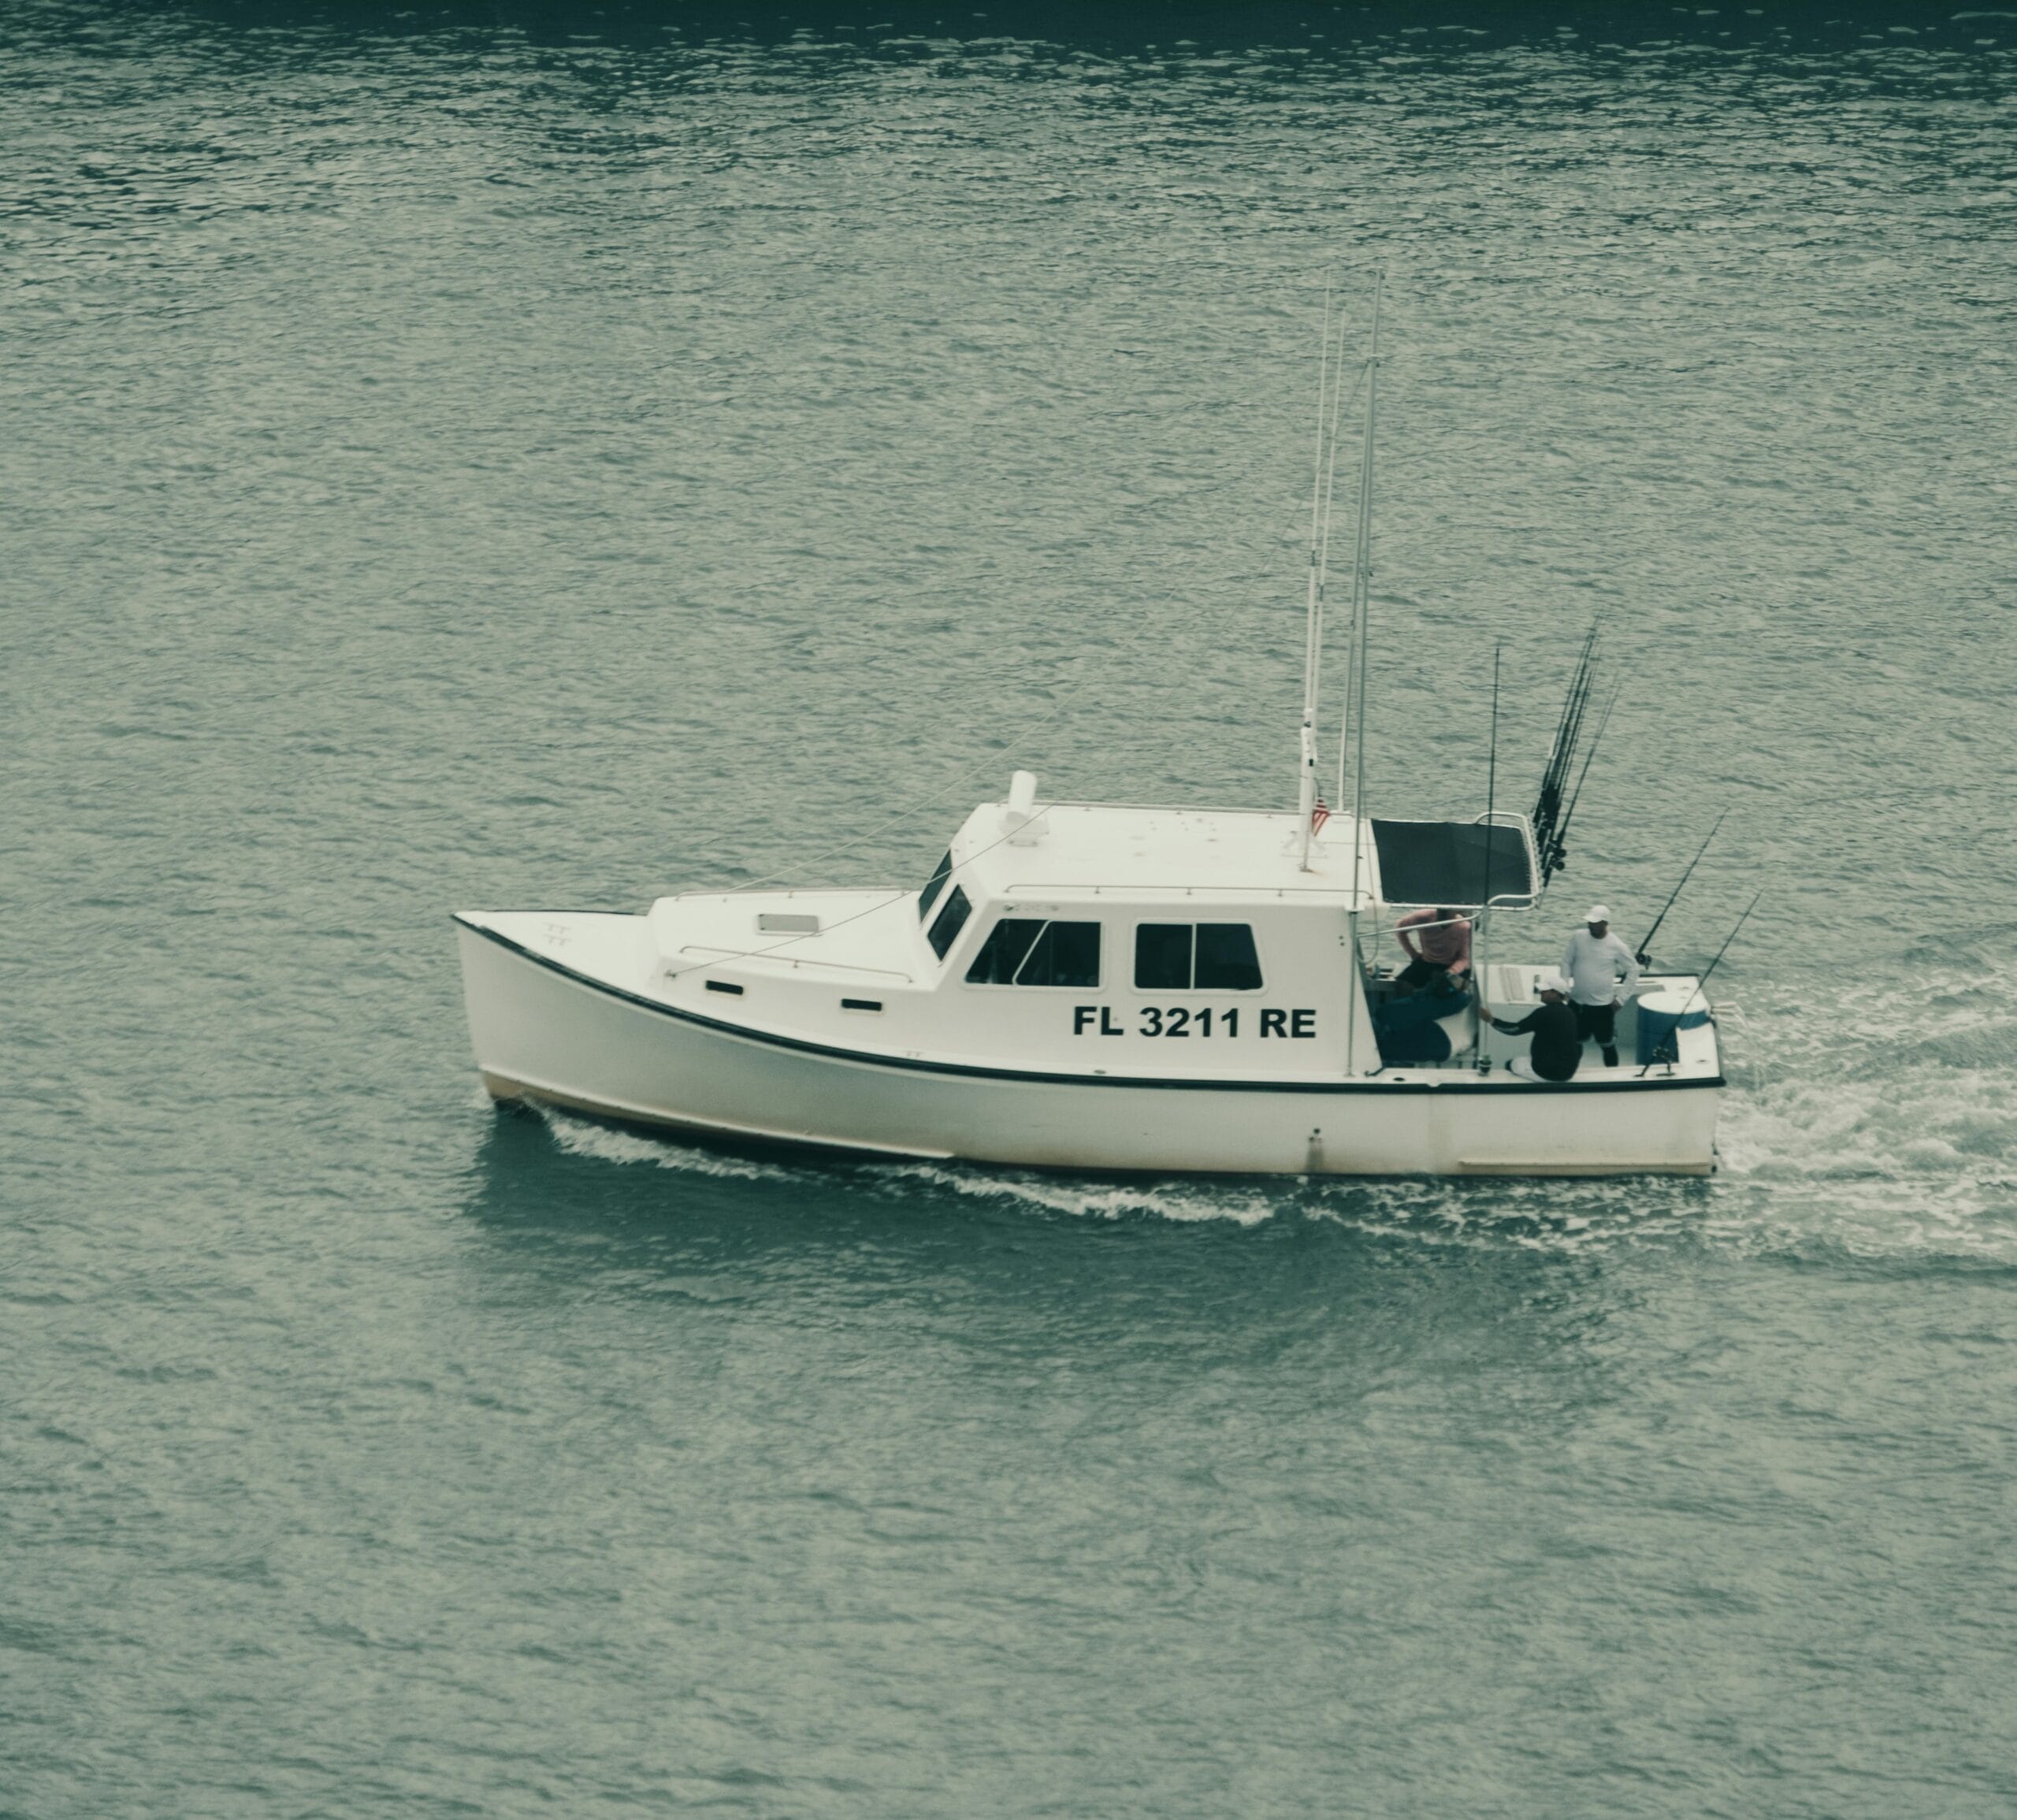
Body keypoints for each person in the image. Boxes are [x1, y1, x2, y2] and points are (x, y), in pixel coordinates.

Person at [1562, 904, 1640, 1067]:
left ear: (1605, 923)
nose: (1590, 925)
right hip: (1577, 1003)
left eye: (1595, 923)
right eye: (1589, 922)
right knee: (1575, 1042)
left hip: (1603, 1007)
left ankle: (1613, 1079)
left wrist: (1621, 1000)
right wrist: (1564, 988)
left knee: (1607, 1045)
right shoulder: (1578, 937)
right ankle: (1571, 1073)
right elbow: (1566, 961)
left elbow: (1634, 969)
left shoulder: (1617, 945)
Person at [1480, 975, 1581, 1082]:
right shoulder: (1571, 1013)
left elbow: (1515, 1030)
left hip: (1548, 1073)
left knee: (1511, 1064)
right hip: (1569, 1071)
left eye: (1544, 990)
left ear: (1555, 994)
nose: (1540, 992)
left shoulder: (1543, 1013)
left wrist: (1491, 1020)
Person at [1394, 906, 1471, 997]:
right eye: (1441, 910)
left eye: (1448, 910)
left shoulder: (1463, 926)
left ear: (1457, 911)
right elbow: (1399, 928)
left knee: (1444, 990)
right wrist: (1413, 953)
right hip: (1427, 962)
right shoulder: (1423, 917)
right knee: (1402, 985)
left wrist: (1449, 973)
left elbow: (1463, 959)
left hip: (1452, 966)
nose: (1444, 914)